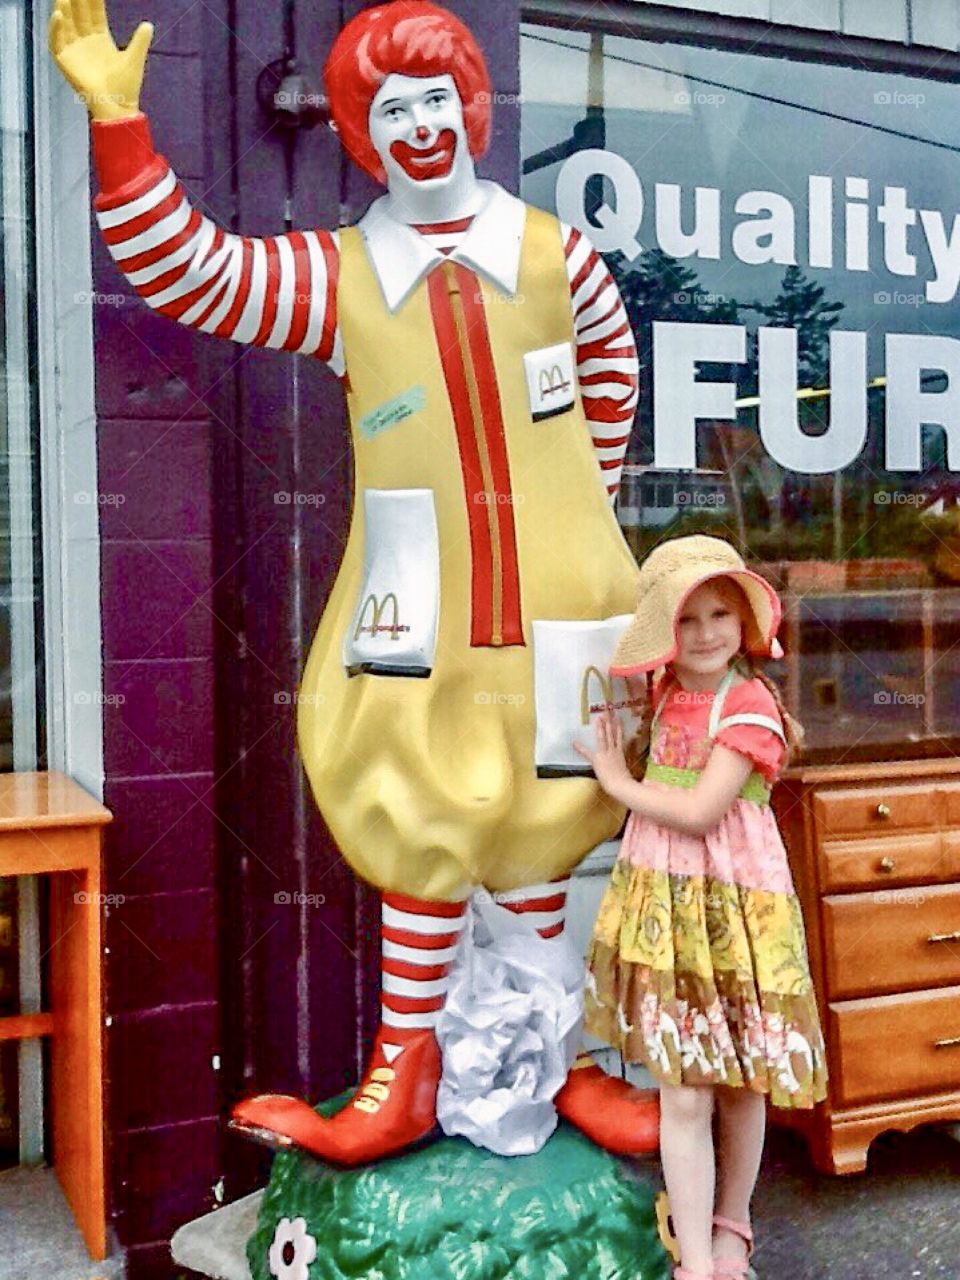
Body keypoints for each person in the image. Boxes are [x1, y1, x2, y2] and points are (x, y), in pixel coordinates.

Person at [48, 0, 661, 1163]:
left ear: (471, 110)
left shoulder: (553, 252)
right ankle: (403, 1073)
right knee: (418, 817)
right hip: (417, 611)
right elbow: (195, 273)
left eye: (436, 98)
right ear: (359, 132)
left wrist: (588, 530)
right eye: (392, 108)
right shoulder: (344, 272)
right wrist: (121, 122)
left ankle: (556, 1062)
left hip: (559, 606)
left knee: (547, 824)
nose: (421, 124)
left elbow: (611, 367)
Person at [573, 534, 828, 1280]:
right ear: (662, 633)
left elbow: (700, 810)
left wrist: (614, 779)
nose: (709, 632)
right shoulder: (662, 697)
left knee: (742, 1080)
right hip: (668, 911)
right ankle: (694, 1259)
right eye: (688, 619)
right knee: (684, 1089)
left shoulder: (748, 704)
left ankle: (732, 1230)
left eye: (722, 613)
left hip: (738, 914)